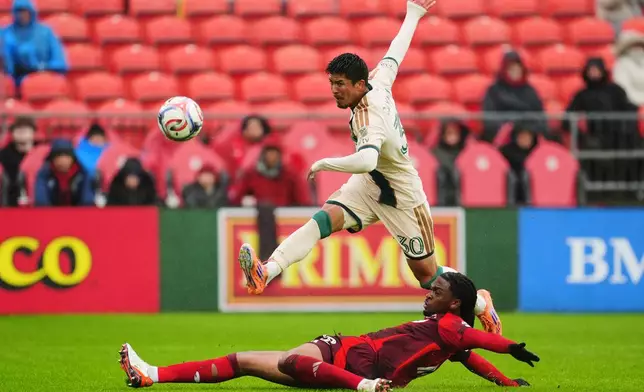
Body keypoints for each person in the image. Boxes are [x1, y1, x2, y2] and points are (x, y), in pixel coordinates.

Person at [236, 0, 502, 336]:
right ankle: (267, 270)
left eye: (341, 84)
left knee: (427, 276)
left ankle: (480, 303)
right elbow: (395, 53)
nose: (335, 90)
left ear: (359, 85)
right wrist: (413, 14)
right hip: (369, 185)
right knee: (323, 220)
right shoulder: (378, 79)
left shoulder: (368, 116)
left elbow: (367, 160)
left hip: (402, 196)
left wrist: (324, 162)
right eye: (332, 83)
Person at [119, 273, 538, 390]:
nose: (429, 293)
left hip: (354, 361)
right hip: (351, 356)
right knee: (244, 360)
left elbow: (481, 342)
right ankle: (151, 375)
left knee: (285, 360)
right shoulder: (446, 334)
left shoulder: (451, 328)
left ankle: (361, 387)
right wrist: (505, 382)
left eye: (437, 291)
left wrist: (511, 347)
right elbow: (473, 357)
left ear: (455, 305)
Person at [228, 134, 312, 207]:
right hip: (259, 218)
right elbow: (236, 200)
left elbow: (303, 203)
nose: (272, 156)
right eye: (269, 152)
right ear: (263, 155)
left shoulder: (290, 176)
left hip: (285, 220)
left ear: (280, 155)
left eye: (275, 153)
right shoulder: (251, 175)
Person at [481, 50, 547, 142]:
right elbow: (489, 119)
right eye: (511, 69)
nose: (515, 72)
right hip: (503, 137)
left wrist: (529, 130)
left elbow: (540, 117)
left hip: (528, 136)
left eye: (518, 69)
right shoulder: (494, 91)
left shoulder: (530, 91)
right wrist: (508, 128)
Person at [1, 0, 68, 89]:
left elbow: (60, 62)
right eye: (18, 11)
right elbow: (7, 66)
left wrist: (41, 67)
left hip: (46, 77)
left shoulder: (46, 32)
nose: (21, 15)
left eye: (25, 11)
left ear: (31, 12)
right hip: (18, 82)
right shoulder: (6, 34)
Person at [34, 139, 94, 206]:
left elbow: (87, 201)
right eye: (58, 156)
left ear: (72, 159)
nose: (62, 161)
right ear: (52, 159)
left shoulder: (83, 174)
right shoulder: (44, 174)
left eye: (67, 156)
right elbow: (41, 201)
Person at [0, 116, 36, 206]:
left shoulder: (42, 154)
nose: (21, 132)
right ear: (12, 133)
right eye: (18, 128)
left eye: (25, 129)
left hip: (37, 206)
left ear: (33, 132)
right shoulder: (3, 155)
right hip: (8, 205)